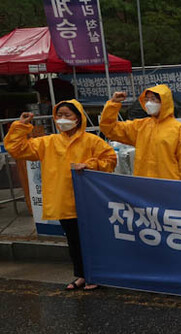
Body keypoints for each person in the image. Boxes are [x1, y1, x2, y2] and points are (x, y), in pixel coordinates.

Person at [4, 101, 117, 290]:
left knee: (91, 240)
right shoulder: (48, 142)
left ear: (78, 118)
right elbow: (16, 149)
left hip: (87, 200)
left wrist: (89, 164)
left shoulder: (92, 141)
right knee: (73, 241)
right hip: (64, 201)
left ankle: (95, 275)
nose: (63, 119)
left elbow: (110, 159)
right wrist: (21, 126)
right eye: (60, 115)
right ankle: (81, 275)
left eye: (68, 115)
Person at [100, 85, 181, 181]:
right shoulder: (140, 126)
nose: (149, 103)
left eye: (153, 99)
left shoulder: (178, 129)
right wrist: (113, 104)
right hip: (144, 186)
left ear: (164, 102)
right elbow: (109, 128)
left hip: (169, 187)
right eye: (146, 99)